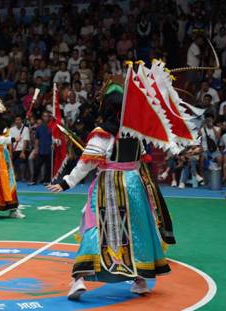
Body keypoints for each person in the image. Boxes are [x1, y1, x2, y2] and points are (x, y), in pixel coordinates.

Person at [46, 78, 174, 299]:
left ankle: (78, 279)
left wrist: (66, 182)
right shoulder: (135, 133)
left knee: (96, 226)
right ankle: (140, 280)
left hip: (110, 185)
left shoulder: (101, 132)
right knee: (134, 230)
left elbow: (86, 163)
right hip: (134, 185)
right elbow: (141, 159)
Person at [29, 111, 53, 185]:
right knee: (37, 165)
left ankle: (47, 181)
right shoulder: (39, 127)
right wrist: (36, 149)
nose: (45, 117)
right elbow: (37, 139)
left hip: (49, 149)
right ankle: (33, 180)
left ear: (49, 117)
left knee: (48, 166)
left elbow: (55, 138)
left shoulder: (52, 127)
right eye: (44, 116)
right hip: (41, 149)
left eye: (47, 116)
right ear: (42, 117)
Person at [9, 115, 30, 182]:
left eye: (19, 120)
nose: (18, 121)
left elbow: (25, 141)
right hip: (14, 149)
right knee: (10, 159)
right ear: (15, 121)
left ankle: (23, 177)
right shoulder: (11, 129)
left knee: (22, 159)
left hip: (23, 149)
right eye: (16, 120)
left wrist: (23, 152)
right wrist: (10, 152)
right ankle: (15, 176)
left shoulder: (26, 129)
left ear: (21, 121)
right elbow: (10, 142)